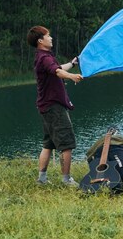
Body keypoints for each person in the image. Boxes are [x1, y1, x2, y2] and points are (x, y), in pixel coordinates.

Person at [27, 26, 83, 186]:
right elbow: (58, 72)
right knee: (67, 144)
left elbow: (58, 69)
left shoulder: (43, 57)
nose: (51, 38)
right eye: (48, 36)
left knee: (49, 143)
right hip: (54, 107)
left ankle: (42, 179)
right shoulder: (44, 58)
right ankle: (66, 180)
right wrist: (72, 76)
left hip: (46, 106)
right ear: (40, 41)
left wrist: (72, 64)